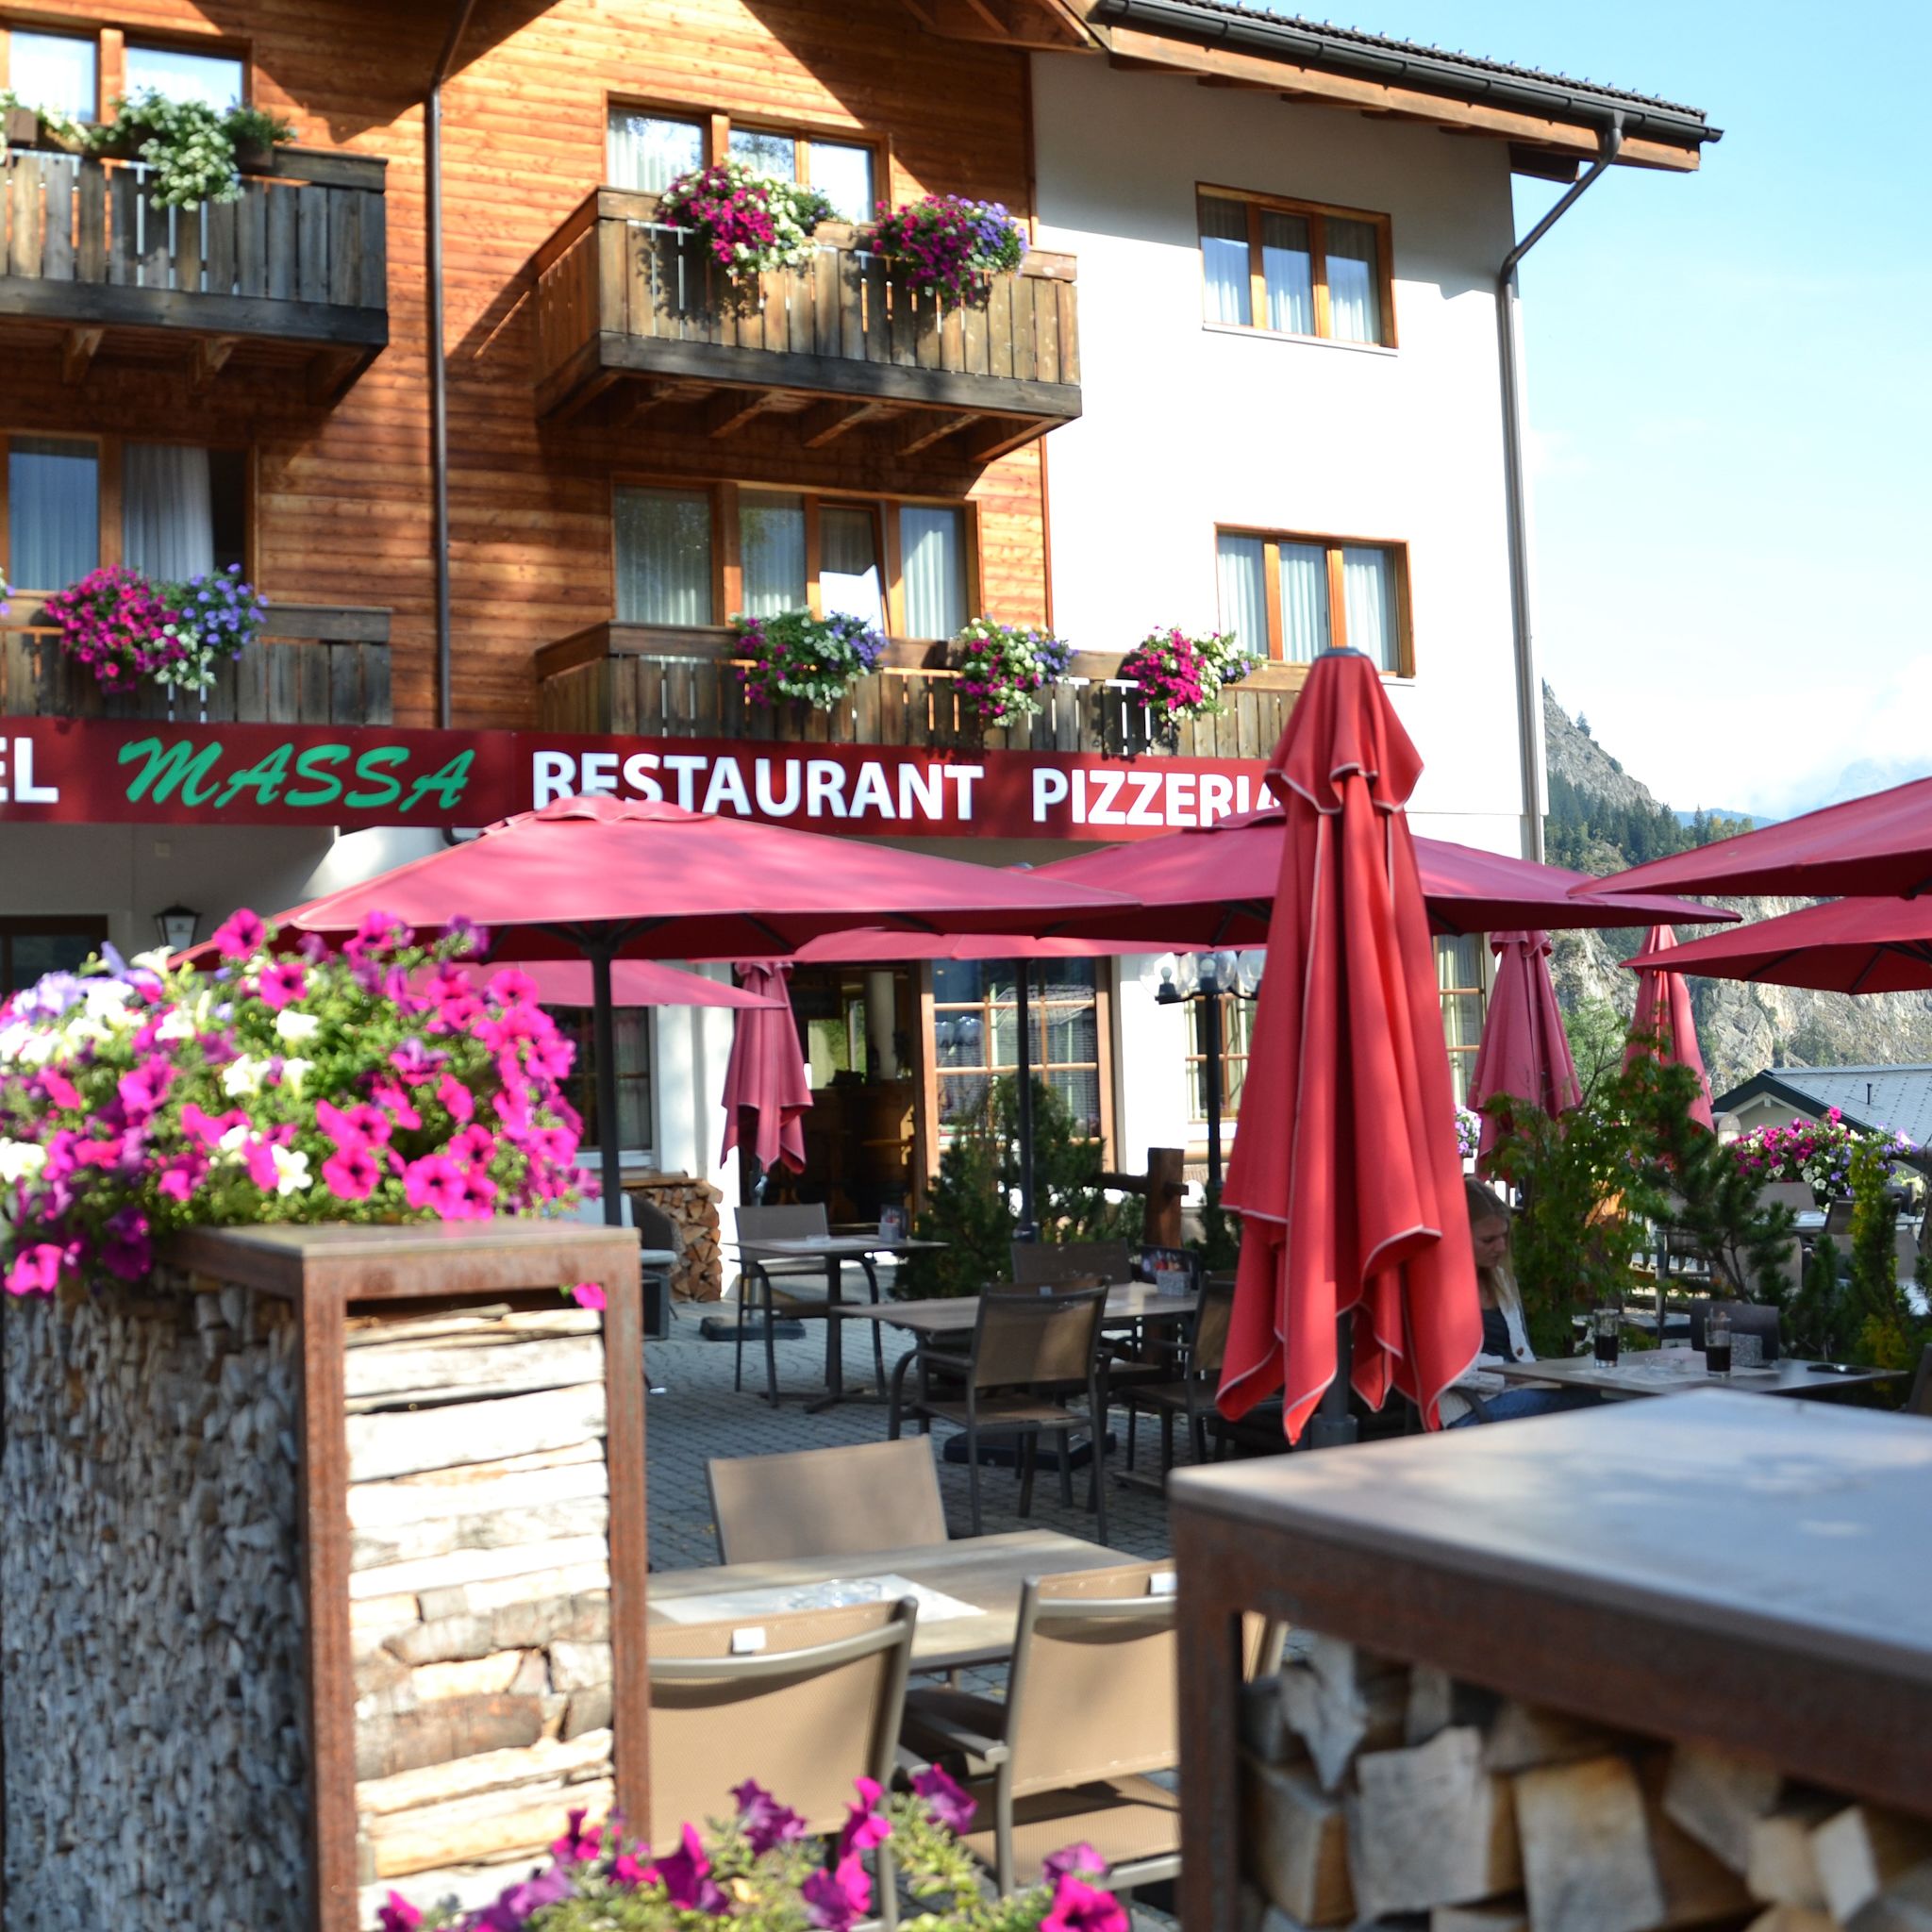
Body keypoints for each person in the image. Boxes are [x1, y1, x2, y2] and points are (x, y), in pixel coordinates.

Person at [1441, 1178, 1600, 1427]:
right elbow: (1447, 1366)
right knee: (1595, 1402)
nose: (1501, 1247)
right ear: (1457, 1236)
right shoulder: (1438, 1289)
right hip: (1471, 1409)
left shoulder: (1502, 1280)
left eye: (1504, 1236)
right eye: (1488, 1240)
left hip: (1517, 1392)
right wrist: (1511, 1375)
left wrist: (1545, 1374)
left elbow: (1522, 1355)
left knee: (1601, 1395)